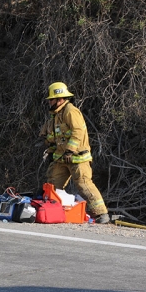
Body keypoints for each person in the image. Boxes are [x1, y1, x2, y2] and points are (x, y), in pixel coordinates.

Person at [39, 82, 110, 224]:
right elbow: (57, 138)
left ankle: (102, 214)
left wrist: (70, 150)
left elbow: (78, 131)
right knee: (52, 184)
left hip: (78, 157)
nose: (49, 102)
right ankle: (54, 212)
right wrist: (50, 147)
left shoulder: (71, 111)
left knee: (84, 184)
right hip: (62, 158)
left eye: (51, 99)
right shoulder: (55, 116)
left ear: (60, 99)